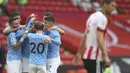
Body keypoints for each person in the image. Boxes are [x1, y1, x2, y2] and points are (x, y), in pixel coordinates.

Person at [73, 0, 116, 73]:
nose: (114, 8)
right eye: (112, 6)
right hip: (95, 56)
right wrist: (105, 56)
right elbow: (99, 37)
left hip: (87, 56)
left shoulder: (92, 16)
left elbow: (85, 36)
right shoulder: (102, 18)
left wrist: (79, 53)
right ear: (105, 5)